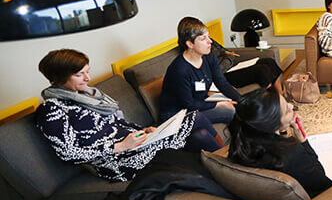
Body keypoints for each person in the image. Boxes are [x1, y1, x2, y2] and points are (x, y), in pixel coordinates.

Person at [35, 49, 222, 182]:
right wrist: (120, 146)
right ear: (59, 77)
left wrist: (144, 130)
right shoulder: (52, 109)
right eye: (80, 75)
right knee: (195, 117)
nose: (88, 79)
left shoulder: (89, 96)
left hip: (137, 143)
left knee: (201, 136)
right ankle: (235, 170)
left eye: (87, 72)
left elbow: (118, 124)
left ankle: (231, 173)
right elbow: (69, 154)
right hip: (118, 161)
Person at [226, 88, 332, 197]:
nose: (291, 106)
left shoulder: (240, 146)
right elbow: (321, 181)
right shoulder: (292, 151)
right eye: (287, 111)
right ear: (271, 124)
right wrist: (303, 141)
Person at [160, 17, 245, 124]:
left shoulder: (209, 57)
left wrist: (243, 101)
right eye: (203, 38)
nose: (210, 42)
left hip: (198, 103)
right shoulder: (179, 70)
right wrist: (218, 104)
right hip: (176, 114)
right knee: (229, 111)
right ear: (190, 44)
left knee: (238, 104)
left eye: (208, 37)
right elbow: (188, 104)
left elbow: (222, 83)